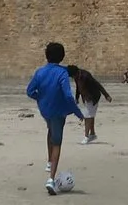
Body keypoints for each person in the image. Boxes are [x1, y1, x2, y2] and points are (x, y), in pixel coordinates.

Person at [26, 41, 78, 194]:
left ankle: (49, 162)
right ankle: (51, 179)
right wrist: (77, 111)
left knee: (50, 130)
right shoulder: (61, 73)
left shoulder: (40, 72)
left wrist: (40, 98)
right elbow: (68, 95)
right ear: (62, 56)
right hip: (58, 112)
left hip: (45, 111)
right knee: (57, 143)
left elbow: (29, 91)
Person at [68, 63, 109, 145]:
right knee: (91, 115)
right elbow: (78, 88)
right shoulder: (77, 76)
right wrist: (77, 98)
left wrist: (106, 95)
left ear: (74, 74)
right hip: (86, 98)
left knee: (87, 116)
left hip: (93, 97)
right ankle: (92, 134)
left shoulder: (85, 75)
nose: (72, 78)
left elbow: (97, 84)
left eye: (72, 76)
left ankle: (86, 137)